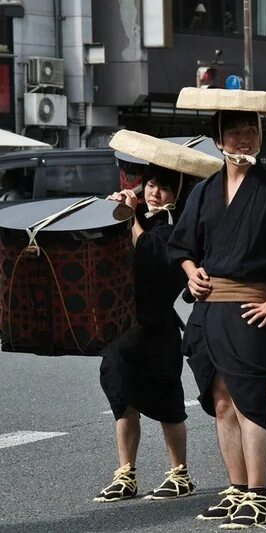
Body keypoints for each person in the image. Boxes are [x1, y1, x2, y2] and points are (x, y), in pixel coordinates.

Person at [169, 88, 266, 528]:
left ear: (260, 136)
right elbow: (182, 244)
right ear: (218, 139)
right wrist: (189, 271)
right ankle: (237, 488)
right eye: (235, 132)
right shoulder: (203, 192)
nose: (244, 139)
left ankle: (259, 494)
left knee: (249, 402)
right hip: (207, 309)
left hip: (249, 306)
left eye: (251, 131)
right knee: (220, 402)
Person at [94, 130, 222, 504]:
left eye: (164, 188)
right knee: (122, 399)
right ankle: (125, 473)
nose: (154, 193)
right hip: (121, 327)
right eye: (150, 185)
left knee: (168, 402)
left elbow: (149, 252)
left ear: (176, 194)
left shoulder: (175, 230)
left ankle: (179, 473)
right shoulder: (132, 218)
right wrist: (113, 212)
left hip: (157, 328)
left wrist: (130, 216)